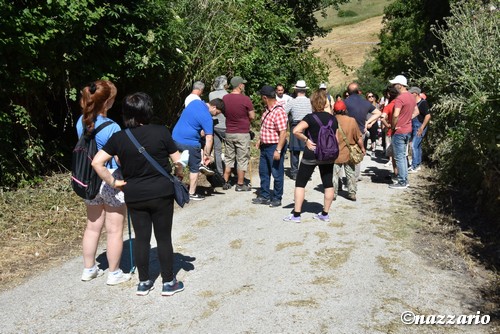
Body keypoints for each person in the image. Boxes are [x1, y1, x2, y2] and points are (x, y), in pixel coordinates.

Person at [92, 92, 185, 296]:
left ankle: (144, 282)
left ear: (126, 113)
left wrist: (114, 182)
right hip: (161, 192)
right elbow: (178, 161)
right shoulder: (161, 132)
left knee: (142, 239)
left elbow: (96, 162)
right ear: (147, 109)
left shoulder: (119, 137)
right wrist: (179, 174)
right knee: (163, 237)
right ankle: (168, 282)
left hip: (134, 193)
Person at [76, 80, 130, 286]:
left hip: (88, 180)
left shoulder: (81, 121)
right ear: (107, 102)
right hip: (109, 179)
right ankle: (114, 273)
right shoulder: (112, 127)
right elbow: (118, 157)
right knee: (115, 229)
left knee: (92, 226)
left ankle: (89, 269)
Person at [283, 90, 338, 223]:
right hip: (327, 154)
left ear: (312, 103)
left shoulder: (310, 117)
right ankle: (325, 214)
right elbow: (336, 139)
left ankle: (296, 215)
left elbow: (296, 131)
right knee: (328, 183)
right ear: (325, 103)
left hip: (312, 153)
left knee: (301, 183)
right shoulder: (333, 119)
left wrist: (306, 140)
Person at [172, 99, 225, 200]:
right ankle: (191, 193)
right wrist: (207, 155)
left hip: (175, 138)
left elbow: (191, 119)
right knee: (194, 167)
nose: (215, 115)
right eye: (217, 113)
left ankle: (177, 183)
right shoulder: (207, 118)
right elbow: (209, 139)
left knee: (179, 162)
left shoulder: (195, 102)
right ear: (214, 107)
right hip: (189, 142)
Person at [251, 85, 288, 208]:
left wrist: (278, 149)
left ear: (265, 97)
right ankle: (265, 195)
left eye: (261, 97)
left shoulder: (279, 111)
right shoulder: (267, 110)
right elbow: (266, 127)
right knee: (263, 172)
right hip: (265, 146)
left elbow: (283, 132)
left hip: (274, 146)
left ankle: (277, 197)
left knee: (276, 173)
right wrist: (260, 139)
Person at [222, 76, 255, 191]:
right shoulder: (245, 99)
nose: (244, 86)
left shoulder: (225, 98)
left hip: (229, 132)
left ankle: (225, 181)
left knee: (229, 157)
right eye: (243, 84)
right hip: (242, 132)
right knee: (242, 158)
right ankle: (240, 184)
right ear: (240, 85)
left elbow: (224, 112)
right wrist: (246, 121)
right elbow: (252, 116)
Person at [344, 82, 381, 180]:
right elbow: (378, 113)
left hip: (347, 132)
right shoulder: (365, 102)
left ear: (348, 92)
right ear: (359, 92)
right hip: (361, 131)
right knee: (358, 153)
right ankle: (355, 177)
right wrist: (367, 122)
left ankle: (348, 177)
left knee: (346, 154)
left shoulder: (345, 102)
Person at [388, 75, 417, 189]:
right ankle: (404, 180)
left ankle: (402, 182)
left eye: (394, 84)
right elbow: (417, 111)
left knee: (399, 157)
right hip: (408, 130)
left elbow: (395, 115)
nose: (393, 86)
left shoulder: (400, 98)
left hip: (399, 131)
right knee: (403, 156)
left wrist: (394, 126)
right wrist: (408, 119)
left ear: (400, 85)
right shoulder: (411, 97)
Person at [332, 100, 364, 201]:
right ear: (345, 109)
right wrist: (362, 148)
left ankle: (333, 193)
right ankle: (352, 193)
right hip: (349, 152)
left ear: (334, 110)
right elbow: (358, 137)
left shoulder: (331, 120)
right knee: (350, 173)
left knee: (334, 174)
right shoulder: (351, 120)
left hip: (335, 152)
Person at [285, 80, 312, 180]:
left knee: (294, 151)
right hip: (308, 126)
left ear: (296, 90)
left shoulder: (292, 102)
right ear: (305, 90)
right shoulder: (310, 102)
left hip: (295, 126)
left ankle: (295, 172)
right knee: (307, 150)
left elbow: (283, 112)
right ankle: (306, 172)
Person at [208, 75, 228, 175]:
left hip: (215, 125)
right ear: (225, 84)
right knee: (230, 150)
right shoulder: (227, 95)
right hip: (225, 126)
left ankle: (219, 172)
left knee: (217, 150)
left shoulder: (211, 94)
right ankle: (228, 174)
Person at [408, 86, 431, 173]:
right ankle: (417, 164)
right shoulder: (414, 103)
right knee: (417, 146)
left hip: (420, 126)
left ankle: (415, 165)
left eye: (411, 93)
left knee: (414, 145)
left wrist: (422, 127)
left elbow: (428, 115)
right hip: (414, 126)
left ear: (416, 93)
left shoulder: (423, 103)